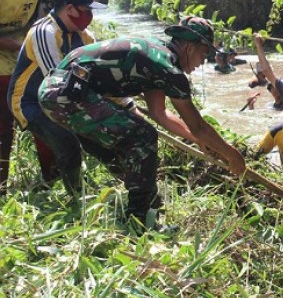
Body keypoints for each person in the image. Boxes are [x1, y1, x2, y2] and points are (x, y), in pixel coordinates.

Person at [36, 16, 246, 228]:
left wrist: (197, 140)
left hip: (59, 92)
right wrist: (233, 156)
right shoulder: (168, 69)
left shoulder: (158, 55)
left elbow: (159, 113)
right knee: (144, 136)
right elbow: (199, 126)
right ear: (190, 48)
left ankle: (145, 206)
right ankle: (139, 220)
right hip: (68, 95)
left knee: (124, 150)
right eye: (204, 54)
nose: (203, 62)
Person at [8, 0, 104, 185]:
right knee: (67, 142)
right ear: (70, 9)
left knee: (100, 137)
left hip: (64, 97)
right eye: (86, 10)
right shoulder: (44, 32)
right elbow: (57, 80)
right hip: (29, 101)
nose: (90, 16)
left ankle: (69, 184)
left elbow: (97, 73)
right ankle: (75, 198)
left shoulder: (86, 37)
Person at [0, 0, 52, 195]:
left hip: (24, 58)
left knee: (39, 115)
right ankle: (1, 186)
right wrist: (13, 44)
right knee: (3, 126)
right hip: (2, 61)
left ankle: (50, 180)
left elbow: (35, 24)